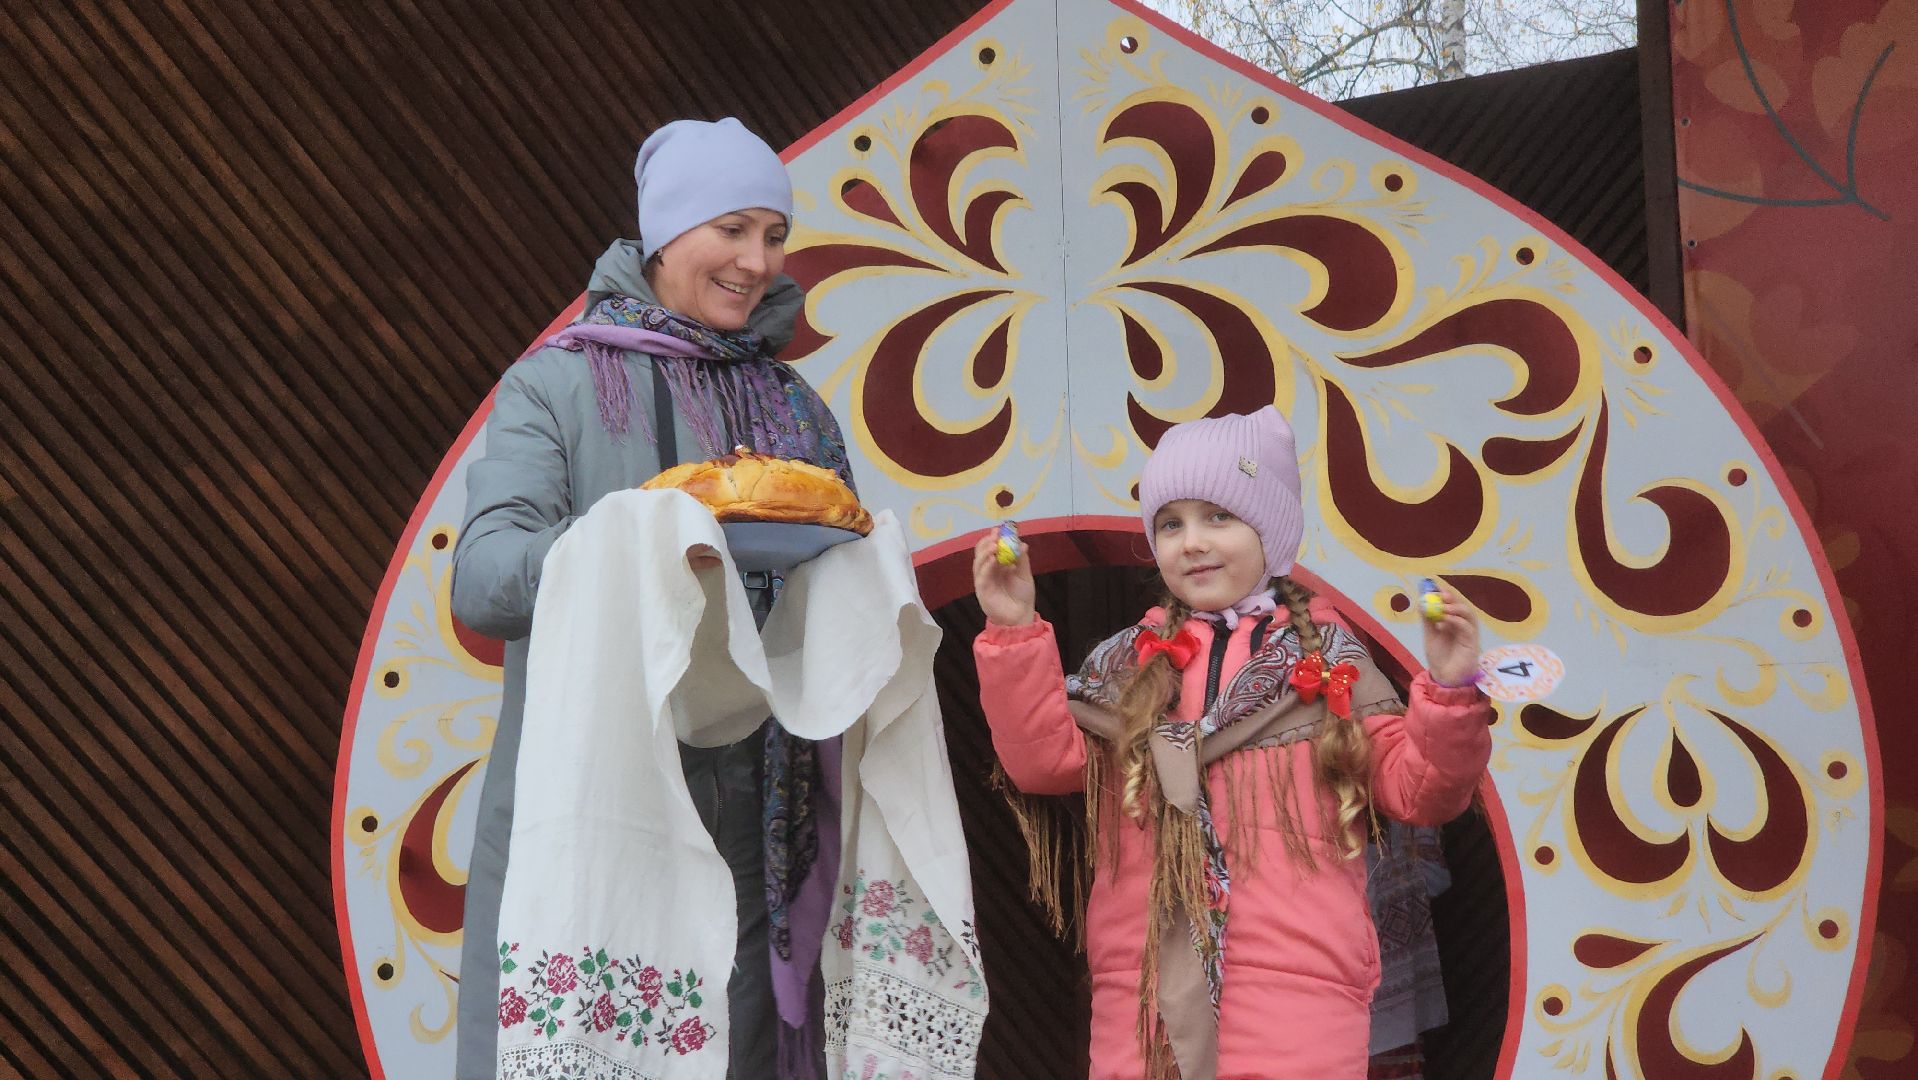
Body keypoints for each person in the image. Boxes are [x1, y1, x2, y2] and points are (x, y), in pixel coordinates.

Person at [450, 117, 851, 1079]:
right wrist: (636, 545)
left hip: (751, 817)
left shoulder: (797, 407)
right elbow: (485, 576)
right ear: (666, 234)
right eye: (732, 229)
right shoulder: (557, 384)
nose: (757, 262)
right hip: (589, 798)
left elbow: (828, 582)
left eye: (775, 235)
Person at [969, 405, 1493, 1079]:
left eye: (1219, 516)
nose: (1192, 541)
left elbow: (1421, 790)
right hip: (1145, 996)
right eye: (1171, 523)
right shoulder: (1124, 669)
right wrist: (1012, 629)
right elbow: (1042, 763)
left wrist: (1450, 692)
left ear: (1270, 531)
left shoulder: (1331, 663)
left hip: (1299, 995)